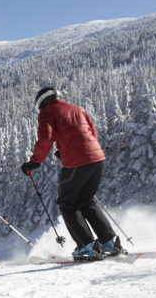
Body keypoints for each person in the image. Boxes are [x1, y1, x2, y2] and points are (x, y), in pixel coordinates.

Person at [20, 87, 124, 261]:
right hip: (98, 159)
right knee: (86, 201)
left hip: (78, 162)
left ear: (42, 103)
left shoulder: (47, 112)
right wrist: (65, 151)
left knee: (68, 204)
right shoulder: (77, 109)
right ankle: (109, 242)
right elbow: (91, 134)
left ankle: (87, 246)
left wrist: (34, 162)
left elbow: (46, 139)